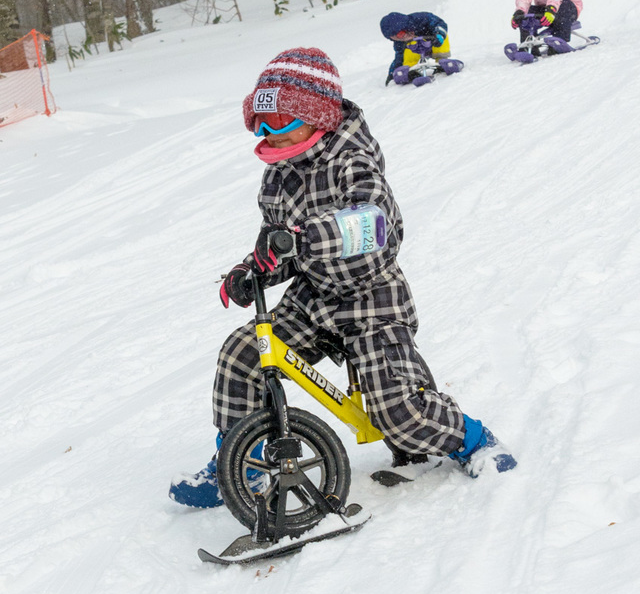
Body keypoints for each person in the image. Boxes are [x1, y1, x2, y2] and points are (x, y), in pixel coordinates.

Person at [169, 47, 516, 508]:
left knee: (397, 411)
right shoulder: (277, 176)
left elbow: (377, 224)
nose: (269, 134)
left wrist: (308, 236)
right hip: (313, 298)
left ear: (317, 117)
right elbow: (281, 245)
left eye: (279, 121)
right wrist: (255, 268)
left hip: (371, 297)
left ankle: (473, 441)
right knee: (242, 355)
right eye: (260, 123)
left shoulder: (352, 159)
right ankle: (241, 464)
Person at [380, 12, 450, 86]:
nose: (407, 35)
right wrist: (391, 74)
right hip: (418, 52)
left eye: (407, 30)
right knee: (407, 50)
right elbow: (399, 57)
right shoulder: (400, 43)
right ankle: (412, 70)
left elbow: (439, 23)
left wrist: (440, 34)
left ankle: (441, 61)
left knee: (443, 38)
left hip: (433, 42)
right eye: (400, 35)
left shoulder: (422, 19)